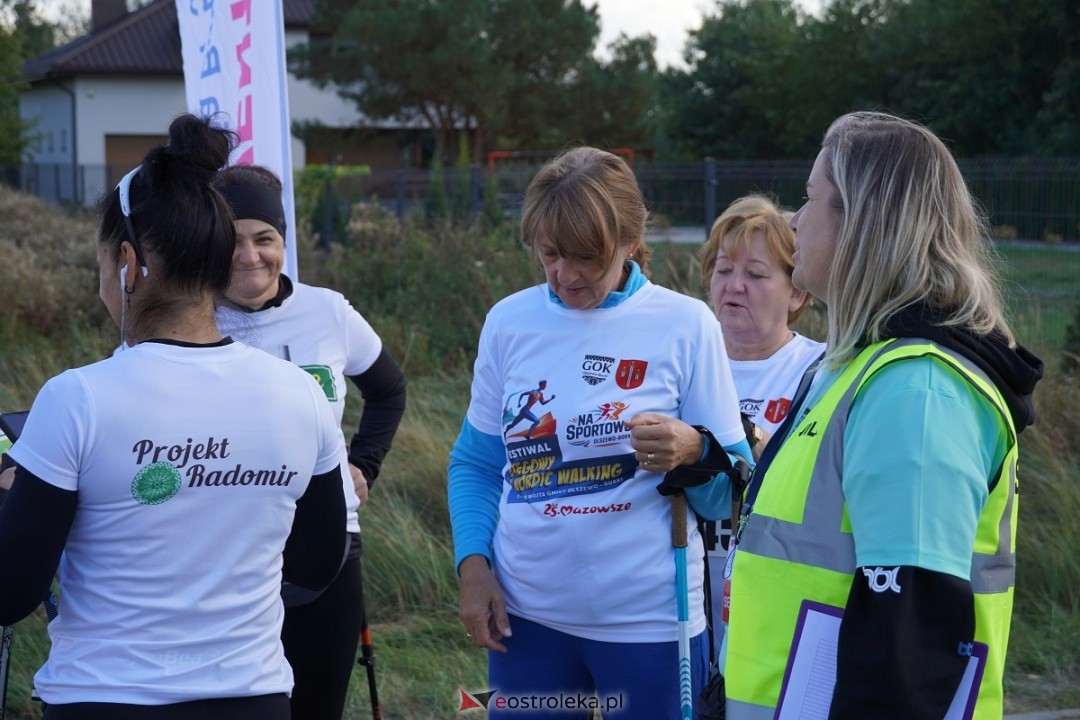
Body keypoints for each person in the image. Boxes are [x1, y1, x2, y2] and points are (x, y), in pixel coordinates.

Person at [0, 114, 348, 720]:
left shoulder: (77, 399)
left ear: (130, 263)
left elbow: (10, 590)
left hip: (104, 701)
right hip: (254, 699)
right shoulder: (301, 396)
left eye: (103, 266)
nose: (102, 284)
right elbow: (318, 562)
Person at [723, 111, 1044, 719]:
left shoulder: (916, 393)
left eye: (809, 199)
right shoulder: (856, 367)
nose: (794, 221)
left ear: (862, 221)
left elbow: (909, 649)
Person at [447, 146, 752, 719]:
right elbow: (476, 465)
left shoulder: (686, 325)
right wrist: (473, 567)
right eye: (550, 254)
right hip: (528, 620)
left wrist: (694, 450)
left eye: (586, 257)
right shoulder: (509, 322)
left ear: (633, 241)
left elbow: (734, 493)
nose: (565, 276)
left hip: (650, 624)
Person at [213, 164, 407, 720]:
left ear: (284, 241)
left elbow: (388, 391)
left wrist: (362, 463)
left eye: (265, 239)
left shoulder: (327, 312)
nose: (250, 256)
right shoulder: (190, 316)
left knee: (317, 706)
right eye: (232, 240)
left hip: (327, 546)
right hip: (226, 551)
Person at [697, 195, 825, 658]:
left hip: (777, 597)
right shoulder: (680, 364)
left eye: (754, 274)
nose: (734, 285)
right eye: (723, 269)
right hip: (687, 595)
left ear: (796, 293)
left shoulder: (824, 370)